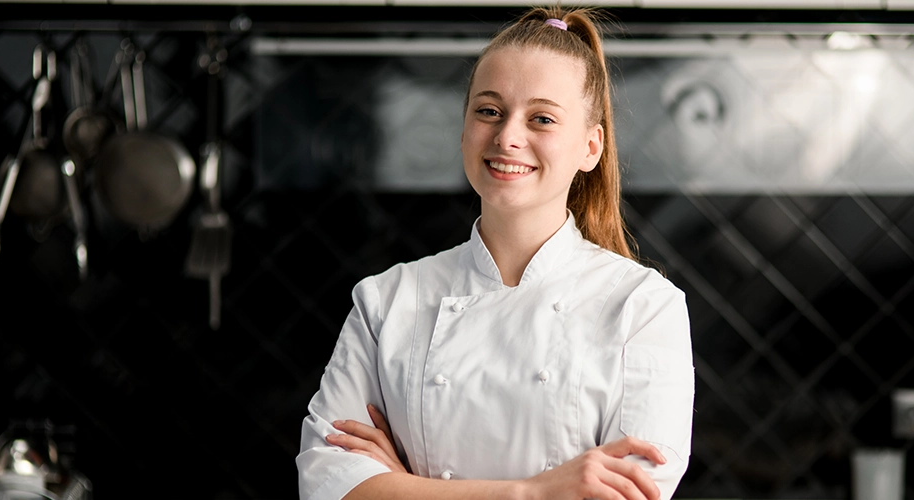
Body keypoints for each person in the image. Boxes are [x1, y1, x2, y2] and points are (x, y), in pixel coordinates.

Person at [297, 7, 694, 500]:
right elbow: (326, 485)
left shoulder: (643, 307)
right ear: (463, 130)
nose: (507, 136)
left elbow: (631, 493)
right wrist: (534, 491)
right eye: (488, 110)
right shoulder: (386, 300)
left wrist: (403, 487)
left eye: (542, 118)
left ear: (590, 148)